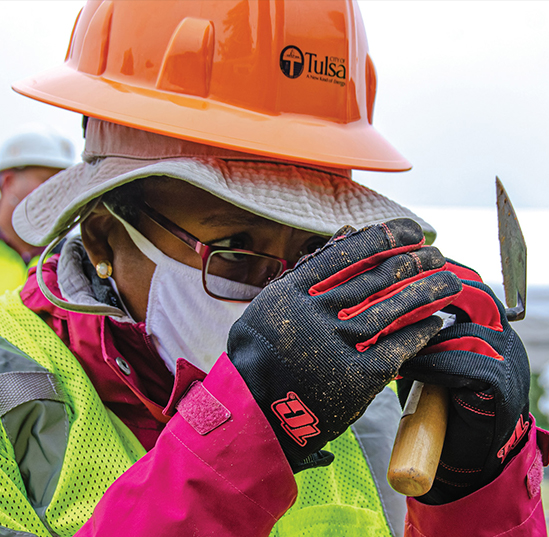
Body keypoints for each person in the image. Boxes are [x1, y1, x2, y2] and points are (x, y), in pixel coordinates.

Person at [0, 1, 545, 536]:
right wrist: (246, 435)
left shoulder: (367, 404)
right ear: (104, 234)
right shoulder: (13, 388)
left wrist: (474, 495)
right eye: (236, 248)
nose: (283, 298)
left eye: (312, 252)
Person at [0, 124, 74, 293]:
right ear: (8, 181)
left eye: (66, 184)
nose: (61, 193)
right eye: (48, 181)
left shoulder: (73, 259)